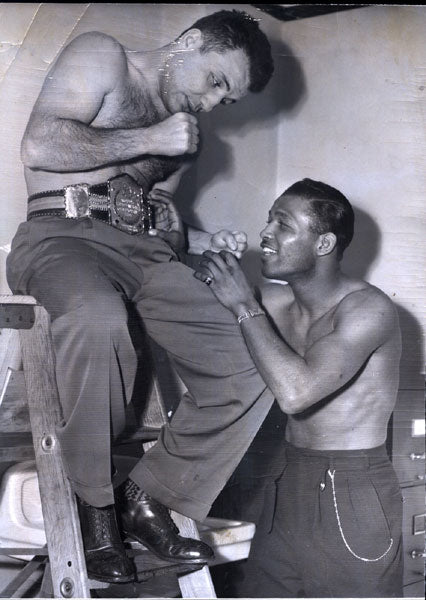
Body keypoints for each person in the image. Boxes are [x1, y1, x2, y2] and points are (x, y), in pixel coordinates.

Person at [6, 10, 276, 584]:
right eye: (216, 81)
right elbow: (38, 144)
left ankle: (146, 493)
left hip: (143, 255)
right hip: (59, 235)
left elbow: (155, 222)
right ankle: (96, 505)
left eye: (225, 99)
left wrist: (201, 238)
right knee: (99, 318)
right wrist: (151, 137)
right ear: (189, 42)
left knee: (252, 360)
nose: (211, 102)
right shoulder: (104, 55)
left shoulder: (186, 133)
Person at [196, 178, 403, 598]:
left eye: (282, 224)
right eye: (268, 218)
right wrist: (192, 239)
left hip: (352, 486)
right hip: (284, 479)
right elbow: (193, 288)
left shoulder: (369, 309)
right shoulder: (275, 304)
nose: (265, 233)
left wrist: (243, 304)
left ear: (323, 245)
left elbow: (296, 393)